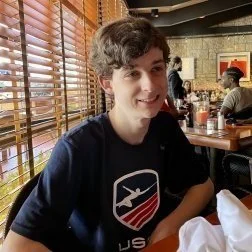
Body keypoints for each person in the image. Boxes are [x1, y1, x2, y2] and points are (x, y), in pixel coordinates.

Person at [2, 17, 214, 252]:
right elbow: (15, 246)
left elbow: (203, 186)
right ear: (107, 84)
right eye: (132, 73)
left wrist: (169, 226)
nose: (150, 86)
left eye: (156, 68)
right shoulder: (79, 147)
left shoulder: (164, 128)